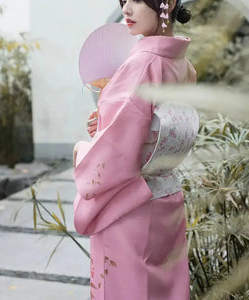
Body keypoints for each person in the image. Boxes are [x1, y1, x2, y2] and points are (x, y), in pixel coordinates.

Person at [73, 0, 197, 299]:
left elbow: (115, 150)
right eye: (123, 1)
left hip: (131, 205)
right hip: (166, 196)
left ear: (165, 3)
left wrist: (82, 150)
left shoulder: (143, 63)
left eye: (137, 0)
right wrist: (106, 122)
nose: (126, 9)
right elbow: (156, 126)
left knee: (127, 289)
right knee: (163, 289)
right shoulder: (182, 64)